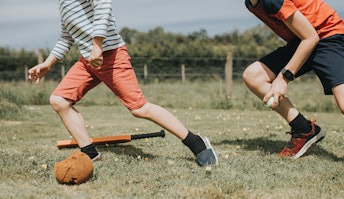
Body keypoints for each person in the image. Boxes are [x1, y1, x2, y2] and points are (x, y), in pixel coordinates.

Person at [28, 0, 217, 166]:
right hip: (88, 61)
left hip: (111, 55)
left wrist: (98, 45)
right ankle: (91, 155)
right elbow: (66, 37)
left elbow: (103, 5)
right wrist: (47, 64)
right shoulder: (62, 3)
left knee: (139, 108)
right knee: (59, 100)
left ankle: (196, 142)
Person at [242, 0, 344, 158]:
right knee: (253, 76)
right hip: (302, 41)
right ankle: (304, 130)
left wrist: (284, 77)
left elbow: (311, 37)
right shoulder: (251, 3)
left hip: (327, 36)